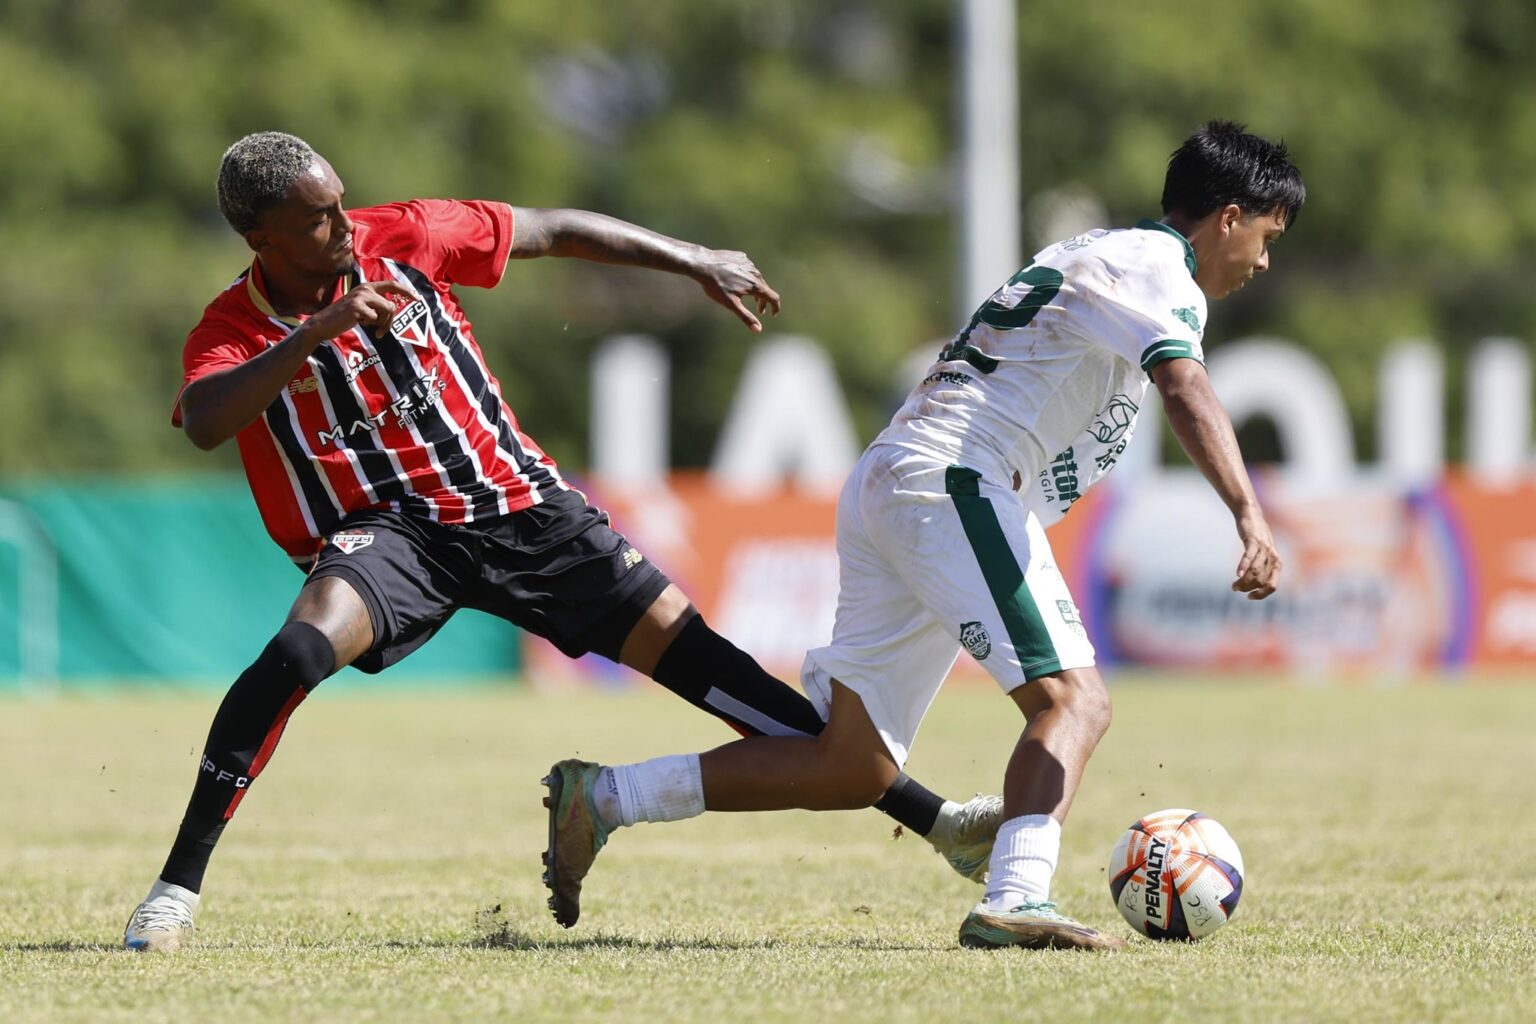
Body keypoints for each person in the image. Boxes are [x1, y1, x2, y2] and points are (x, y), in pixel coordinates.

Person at [123, 132, 1002, 952]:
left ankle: (941, 825)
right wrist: (319, 332)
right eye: (317, 216)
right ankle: (175, 890)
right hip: (393, 538)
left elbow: (548, 228)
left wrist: (692, 259)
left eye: (340, 199)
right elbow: (205, 419)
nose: (343, 221)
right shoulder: (232, 328)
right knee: (294, 652)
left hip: (526, 513)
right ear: (261, 237)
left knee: (728, 682)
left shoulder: (405, 236)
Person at [545, 121, 1303, 950]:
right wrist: (1247, 511)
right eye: (1268, 236)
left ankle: (605, 798)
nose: (1265, 261)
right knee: (1075, 701)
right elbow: (1185, 386)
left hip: (902, 478)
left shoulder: (1106, 253)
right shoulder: (1162, 270)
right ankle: (1015, 895)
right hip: (955, 482)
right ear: (1229, 217)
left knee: (852, 767)